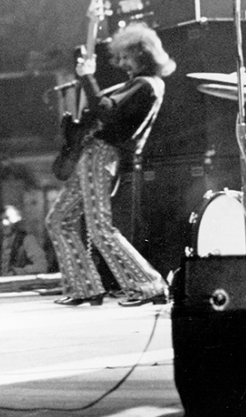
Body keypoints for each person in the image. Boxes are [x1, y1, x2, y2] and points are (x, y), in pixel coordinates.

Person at [46, 22, 172, 307]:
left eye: (128, 56)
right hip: (95, 154)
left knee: (100, 228)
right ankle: (85, 287)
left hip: (102, 154)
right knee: (58, 220)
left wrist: (88, 78)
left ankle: (148, 284)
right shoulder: (138, 84)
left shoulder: (145, 85)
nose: (123, 62)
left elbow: (106, 110)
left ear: (143, 54)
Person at [0, 204, 48, 277]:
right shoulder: (0, 243)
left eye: (7, 218)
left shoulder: (27, 240)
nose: (4, 223)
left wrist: (18, 271)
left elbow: (42, 266)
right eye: (0, 220)